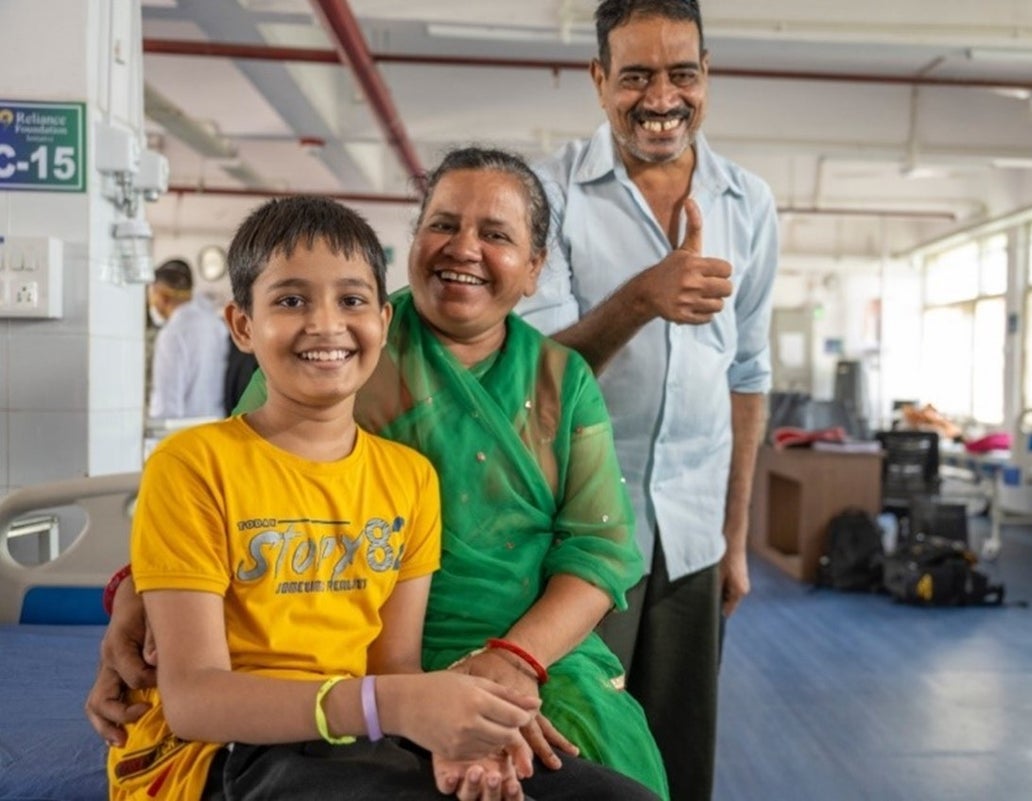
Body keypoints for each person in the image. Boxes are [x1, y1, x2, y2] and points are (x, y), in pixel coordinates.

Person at [88, 149, 668, 800]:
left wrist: (504, 668)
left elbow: (597, 550)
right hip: (307, 711)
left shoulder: (538, 396)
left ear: (534, 267)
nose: (464, 248)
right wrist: (141, 598)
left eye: (496, 234)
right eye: (444, 224)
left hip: (495, 661)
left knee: (606, 775)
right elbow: (229, 490)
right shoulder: (315, 374)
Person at [516, 2, 779, 798]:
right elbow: (534, 372)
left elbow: (748, 376)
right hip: (581, 533)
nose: (661, 97)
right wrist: (642, 298)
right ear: (600, 82)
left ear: (707, 79)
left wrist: (735, 537)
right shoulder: (550, 192)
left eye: (682, 74)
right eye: (635, 75)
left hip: (694, 535)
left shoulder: (748, 202)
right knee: (579, 749)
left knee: (681, 751)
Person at [146, 258, 229, 419]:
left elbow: (167, 407)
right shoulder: (216, 325)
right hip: (216, 426)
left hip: (185, 432)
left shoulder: (173, 334)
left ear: (162, 296)